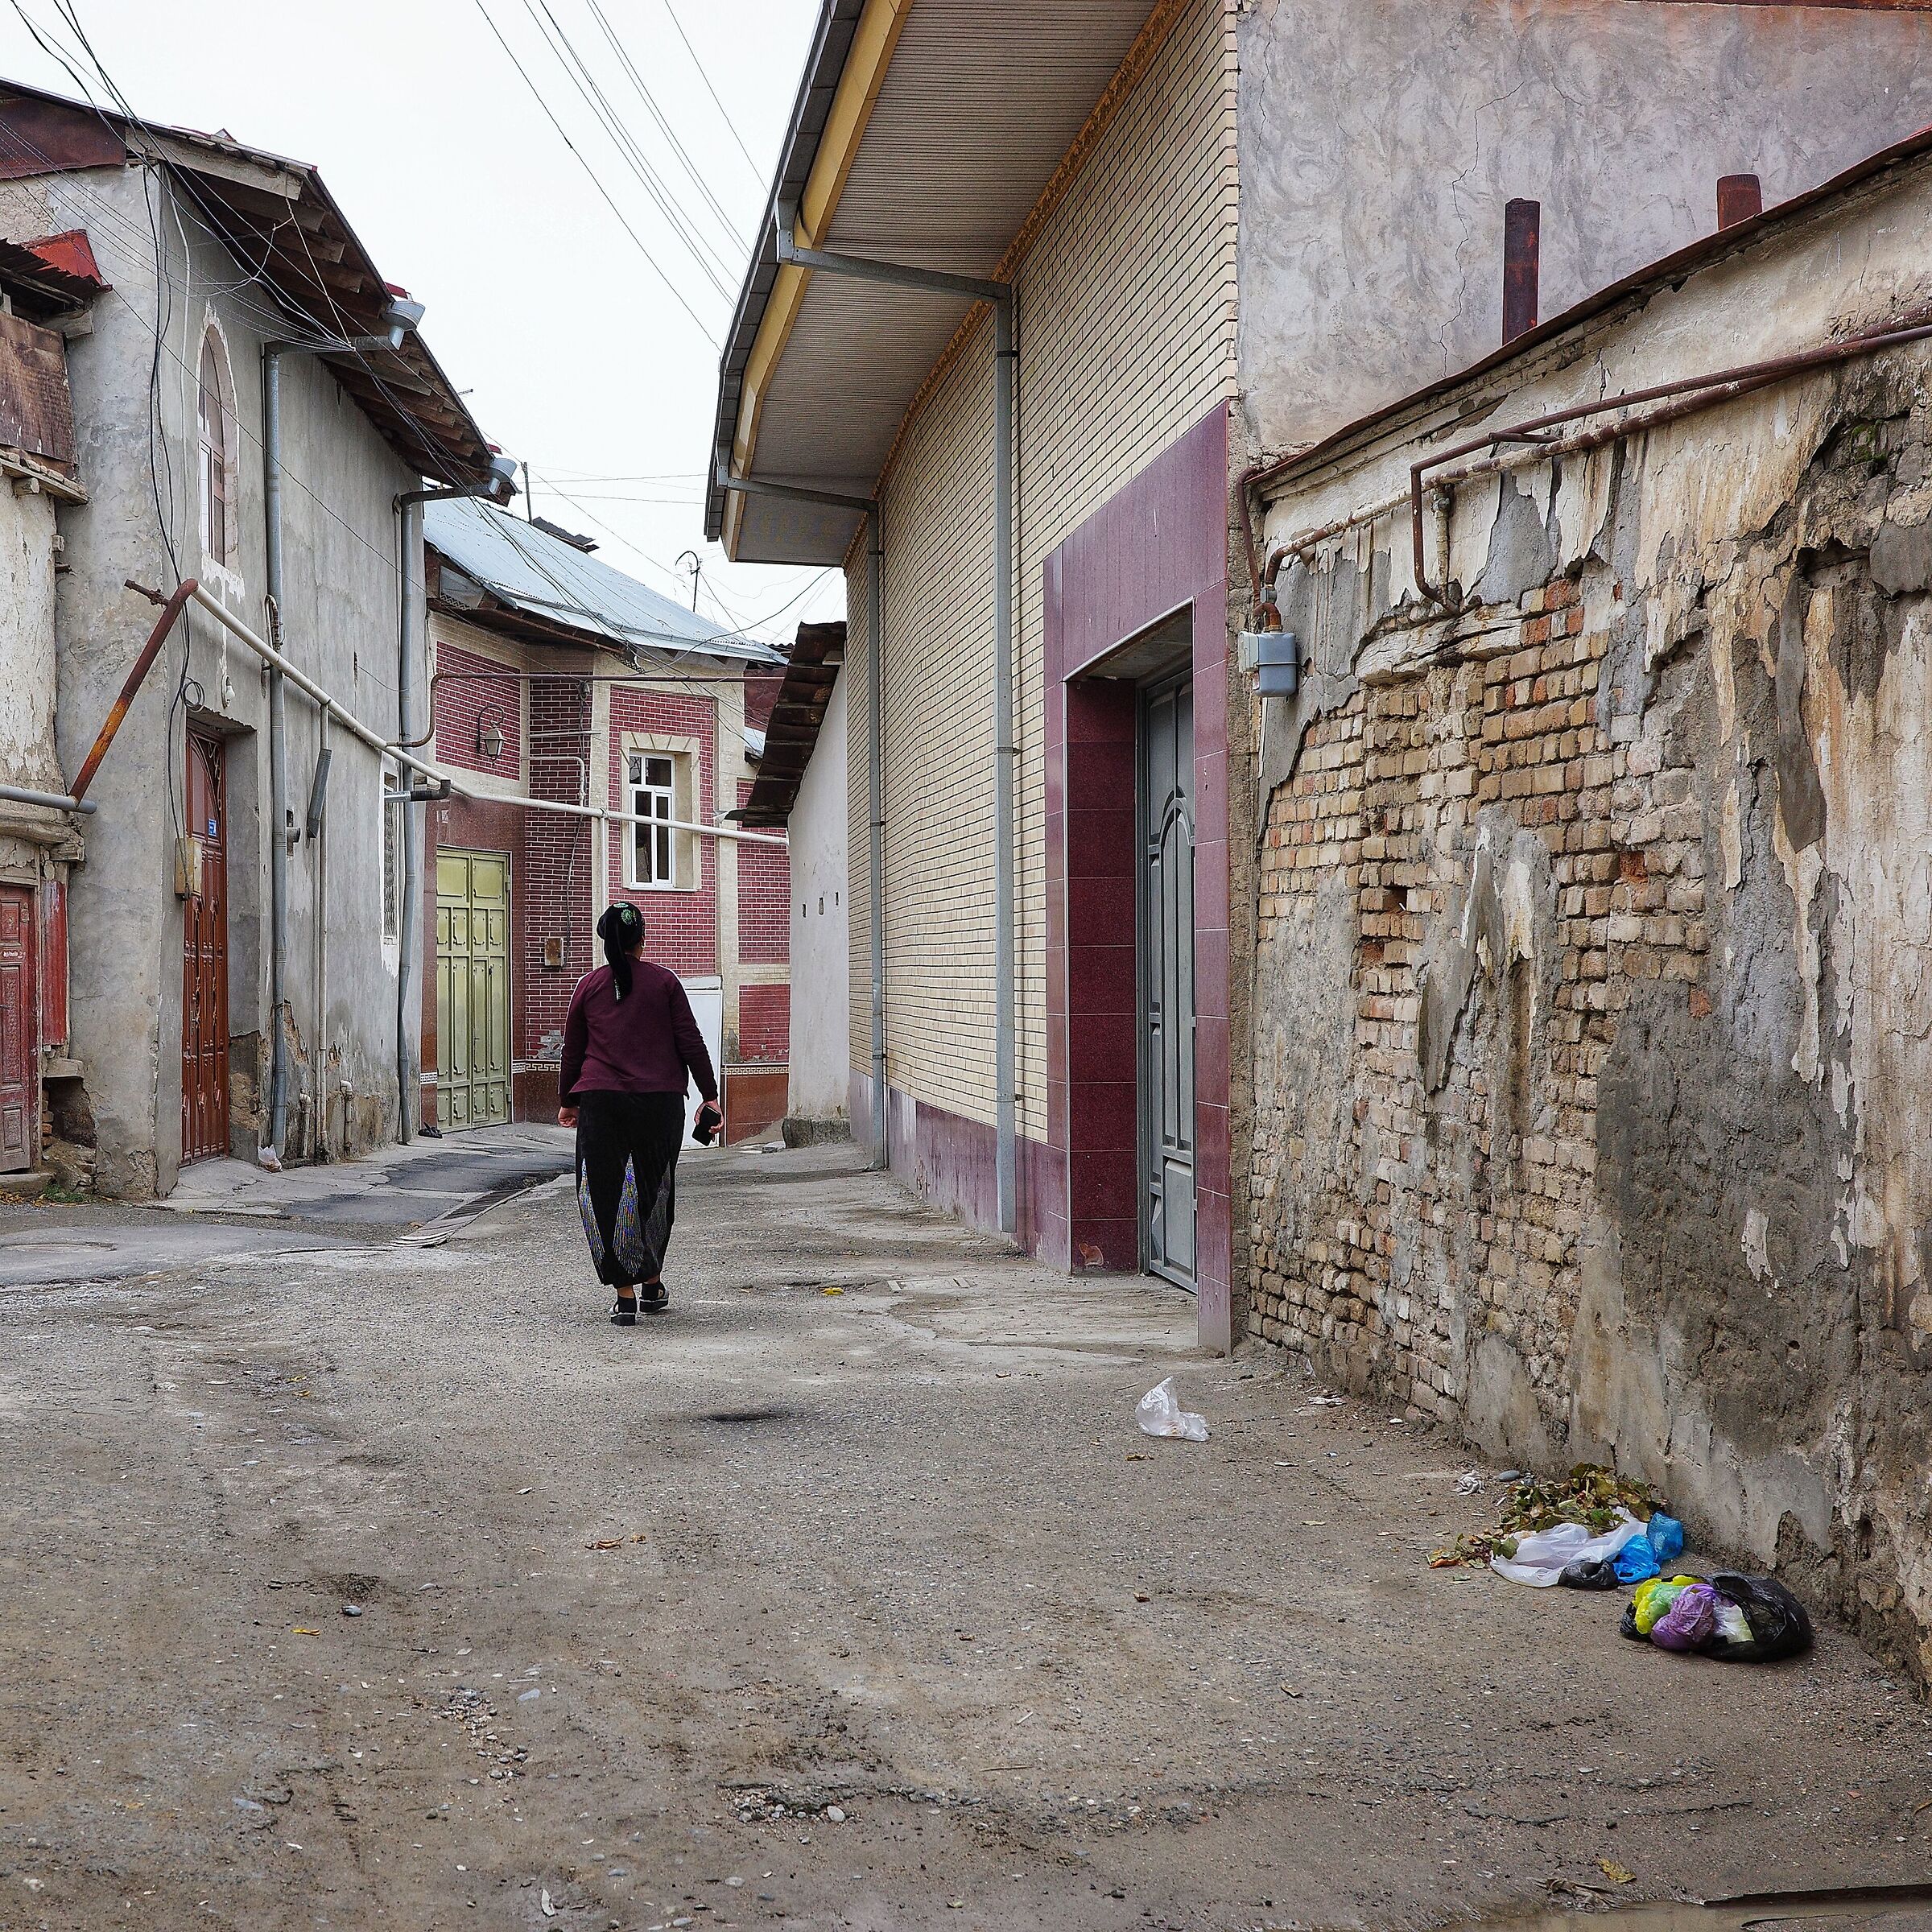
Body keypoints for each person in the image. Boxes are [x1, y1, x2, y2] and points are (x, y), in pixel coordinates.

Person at [558, 902, 721, 1324]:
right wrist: (710, 1094)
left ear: (604, 940)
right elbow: (690, 1040)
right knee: (653, 1190)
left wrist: (568, 1101)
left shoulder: (588, 987)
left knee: (604, 1194)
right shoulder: (665, 982)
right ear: (642, 939)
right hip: (659, 1103)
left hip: (602, 1104)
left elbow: (572, 1050)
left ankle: (625, 1296)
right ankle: (652, 1282)